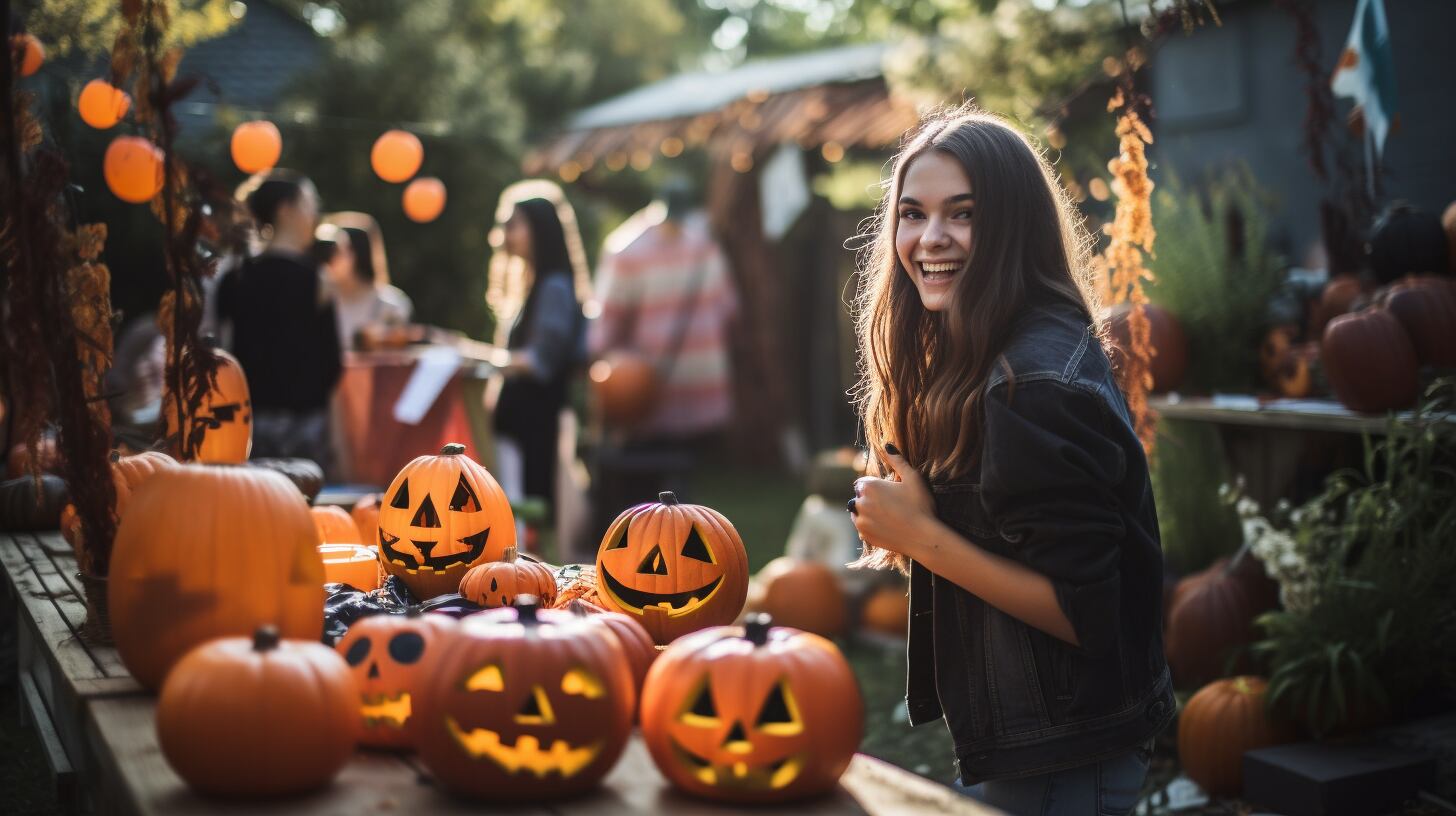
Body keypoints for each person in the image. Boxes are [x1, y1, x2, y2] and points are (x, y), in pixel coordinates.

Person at [845, 107, 1172, 814]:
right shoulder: (990, 351)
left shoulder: (1031, 385)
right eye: (913, 214)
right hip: (1046, 734)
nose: (930, 238)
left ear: (1013, 226)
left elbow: (1088, 615)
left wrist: (920, 537)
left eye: (962, 214)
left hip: (1068, 745)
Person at [587, 183, 738, 527]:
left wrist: (609, 376)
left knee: (643, 496)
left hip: (647, 396)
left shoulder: (626, 249)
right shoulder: (706, 246)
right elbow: (728, 309)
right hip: (700, 393)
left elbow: (603, 331)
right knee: (682, 491)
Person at [216, 169, 342, 470]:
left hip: (245, 420)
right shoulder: (317, 280)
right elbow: (332, 364)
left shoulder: (235, 277)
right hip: (305, 427)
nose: (315, 214)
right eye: (310, 204)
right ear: (287, 210)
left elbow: (220, 350)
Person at [487, 193, 588, 544]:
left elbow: (541, 359)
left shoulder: (555, 287)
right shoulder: (535, 285)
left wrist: (483, 359)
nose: (503, 234)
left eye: (512, 225)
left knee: (523, 510)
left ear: (539, 230)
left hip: (534, 422)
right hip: (519, 422)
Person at [314, 222, 413, 349]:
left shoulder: (391, 305)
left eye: (337, 250)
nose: (330, 258)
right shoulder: (321, 300)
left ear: (358, 253)